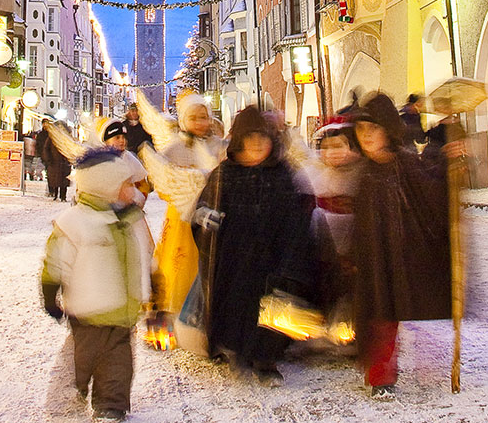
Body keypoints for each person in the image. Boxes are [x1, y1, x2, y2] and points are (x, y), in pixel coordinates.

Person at [190, 105, 316, 384]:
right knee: (237, 307)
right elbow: (202, 209)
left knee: (272, 311)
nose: (257, 145)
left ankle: (266, 360)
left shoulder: (282, 173)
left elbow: (296, 216)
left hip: (273, 259)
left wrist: (293, 253)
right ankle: (238, 352)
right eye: (251, 139)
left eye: (263, 138)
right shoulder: (225, 174)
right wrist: (205, 218)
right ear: (240, 142)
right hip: (234, 259)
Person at [350, 93, 454, 399]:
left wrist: (450, 163)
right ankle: (378, 373)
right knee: (376, 315)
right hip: (369, 258)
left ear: (387, 131)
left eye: (373, 129)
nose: (367, 136)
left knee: (388, 314)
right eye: (361, 130)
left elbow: (432, 190)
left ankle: (381, 372)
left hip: (400, 255)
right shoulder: (363, 173)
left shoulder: (404, 163)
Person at [40, 147, 155, 423]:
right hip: (87, 310)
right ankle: (72, 389)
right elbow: (55, 262)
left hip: (123, 311)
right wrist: (50, 295)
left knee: (118, 363)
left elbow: (147, 255)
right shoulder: (75, 222)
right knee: (84, 358)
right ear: (107, 187)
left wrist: (153, 293)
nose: (135, 191)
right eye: (127, 185)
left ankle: (110, 403)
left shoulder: (132, 220)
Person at [149, 95, 222, 330]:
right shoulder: (175, 148)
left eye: (204, 117)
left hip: (213, 212)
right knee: (181, 261)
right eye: (194, 118)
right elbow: (162, 179)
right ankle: (177, 305)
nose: (200, 123)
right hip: (182, 216)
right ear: (183, 120)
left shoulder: (217, 145)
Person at [306, 114, 363, 344]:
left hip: (352, 239)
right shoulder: (314, 173)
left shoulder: (360, 173)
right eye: (327, 147)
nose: (333, 152)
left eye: (339, 145)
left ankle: (352, 332)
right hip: (325, 239)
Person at [35, 120, 72, 201]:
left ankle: (63, 196)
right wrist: (48, 159)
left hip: (63, 162)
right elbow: (46, 148)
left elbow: (71, 149)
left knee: (63, 180)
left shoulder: (67, 138)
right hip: (54, 161)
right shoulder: (52, 137)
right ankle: (55, 194)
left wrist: (69, 159)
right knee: (55, 179)